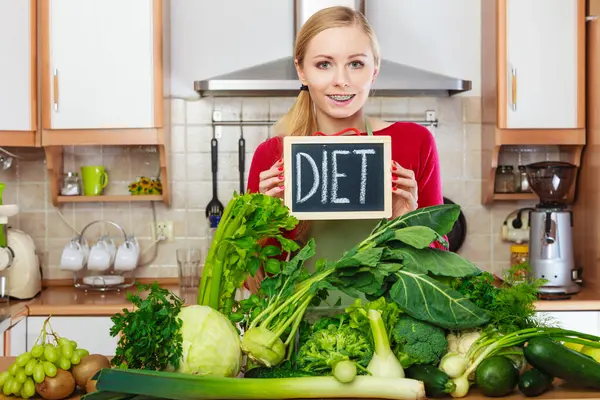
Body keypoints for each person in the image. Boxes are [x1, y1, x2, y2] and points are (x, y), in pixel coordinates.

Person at [245, 6, 445, 295]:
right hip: (300, 327)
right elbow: (256, 287)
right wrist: (263, 226)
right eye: (324, 64)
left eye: (355, 64)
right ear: (301, 70)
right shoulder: (273, 156)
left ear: (374, 69)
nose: (342, 80)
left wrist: (407, 224)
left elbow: (438, 270)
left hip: (392, 327)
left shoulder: (415, 142)